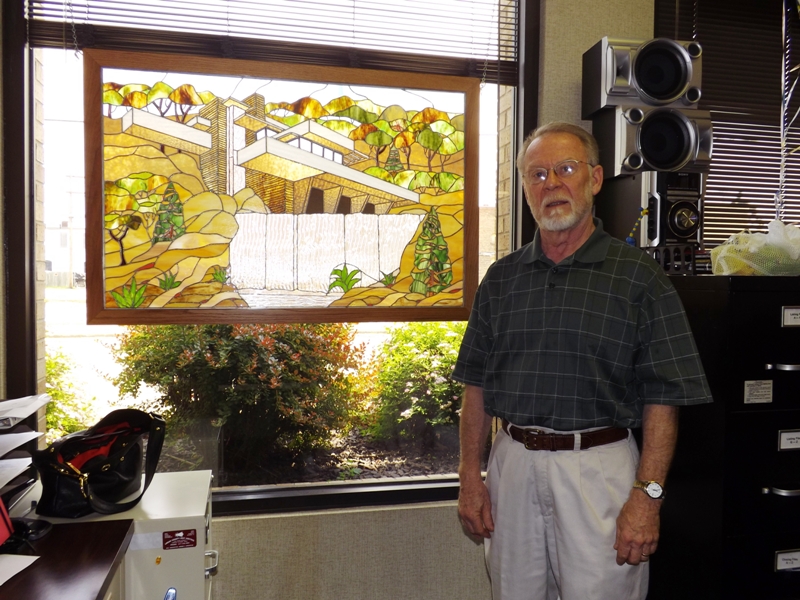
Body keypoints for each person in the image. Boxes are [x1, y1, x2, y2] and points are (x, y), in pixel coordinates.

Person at [453, 121, 712, 600]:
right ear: (525, 190)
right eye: (537, 174)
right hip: (513, 468)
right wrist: (470, 476)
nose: (551, 184)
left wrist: (648, 497)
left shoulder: (640, 279)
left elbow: (664, 399)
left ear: (594, 180)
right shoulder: (502, 279)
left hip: (599, 471)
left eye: (565, 169)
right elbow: (476, 385)